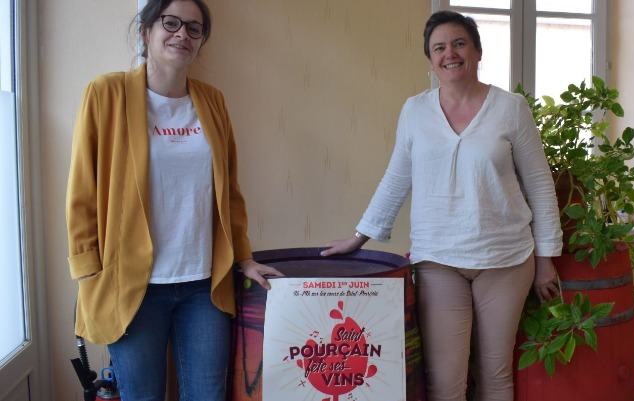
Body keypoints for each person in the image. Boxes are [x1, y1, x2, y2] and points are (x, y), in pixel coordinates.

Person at [321, 10, 562, 401]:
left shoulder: (511, 108)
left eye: (459, 43)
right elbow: (396, 178)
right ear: (430, 60)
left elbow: (539, 183)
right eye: (439, 48)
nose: (450, 53)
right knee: (445, 385)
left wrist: (546, 259)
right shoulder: (415, 111)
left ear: (477, 51)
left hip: (506, 260)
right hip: (438, 261)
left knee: (495, 375)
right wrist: (359, 237)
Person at [65, 1, 282, 399]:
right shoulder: (106, 93)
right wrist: (87, 269)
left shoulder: (212, 102)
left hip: (204, 285)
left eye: (194, 28)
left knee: (208, 394)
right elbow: (82, 188)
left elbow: (229, 193)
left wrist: (243, 256)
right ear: (146, 31)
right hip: (132, 286)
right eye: (171, 23)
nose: (183, 33)